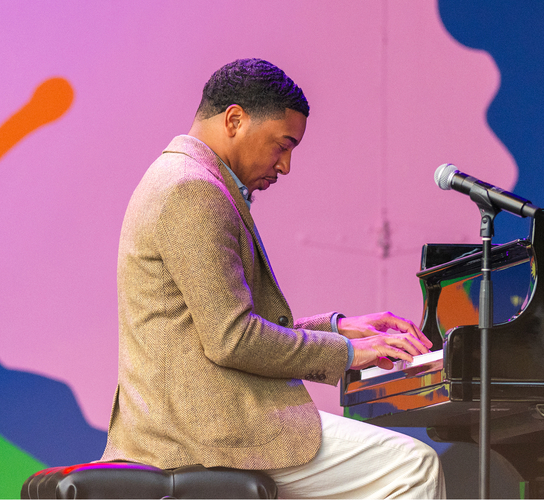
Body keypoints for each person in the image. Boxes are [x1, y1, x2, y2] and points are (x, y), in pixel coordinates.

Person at [101, 58, 445, 498]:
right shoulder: (193, 190)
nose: (285, 167)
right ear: (235, 119)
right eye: (282, 145)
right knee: (411, 467)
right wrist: (349, 352)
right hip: (198, 433)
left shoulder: (179, 177)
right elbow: (233, 339)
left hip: (191, 422)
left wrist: (338, 327)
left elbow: (215, 328)